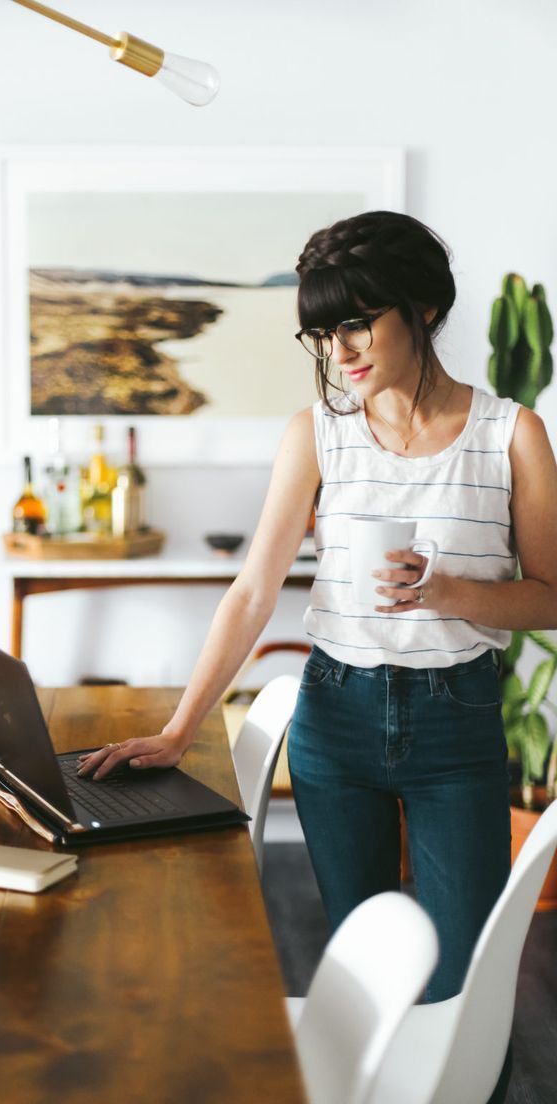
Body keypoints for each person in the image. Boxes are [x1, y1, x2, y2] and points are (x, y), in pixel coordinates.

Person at [78, 210, 557, 1008]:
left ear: (424, 309)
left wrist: (443, 592)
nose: (340, 354)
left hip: (456, 722)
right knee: (360, 977)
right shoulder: (317, 436)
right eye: (323, 334)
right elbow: (253, 592)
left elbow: (551, 596)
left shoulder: (513, 436)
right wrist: (177, 728)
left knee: (466, 989)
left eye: (358, 324)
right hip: (337, 715)